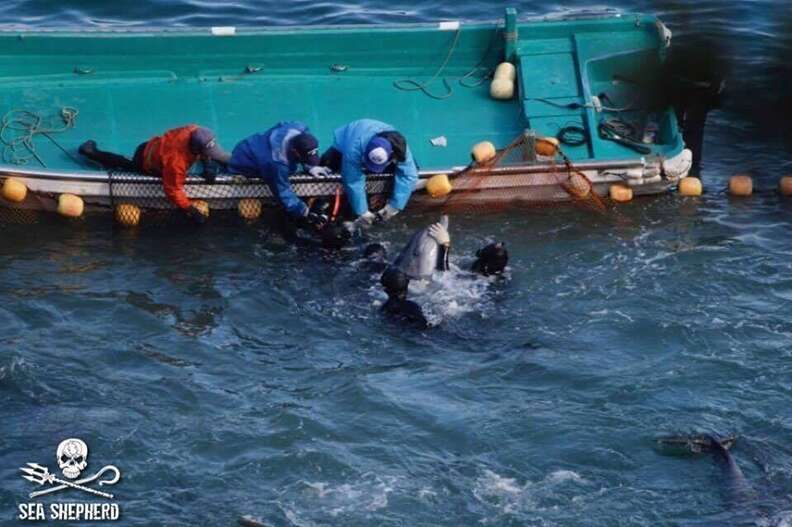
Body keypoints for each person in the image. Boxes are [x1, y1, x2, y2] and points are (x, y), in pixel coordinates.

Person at [78, 125, 230, 223]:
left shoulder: (194, 130)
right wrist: (189, 209)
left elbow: (205, 147)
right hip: (146, 159)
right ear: (196, 150)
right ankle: (92, 152)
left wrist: (209, 162)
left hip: (154, 145)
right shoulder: (176, 163)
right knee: (126, 164)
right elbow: (173, 189)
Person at [228, 121, 331, 231]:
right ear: (294, 151)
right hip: (245, 160)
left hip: (258, 145)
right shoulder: (276, 163)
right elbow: (283, 191)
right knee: (277, 177)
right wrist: (303, 211)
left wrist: (310, 166)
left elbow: (299, 137)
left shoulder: (298, 127)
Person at [320, 119, 418, 232]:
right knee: (330, 163)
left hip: (379, 137)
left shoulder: (400, 147)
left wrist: (395, 206)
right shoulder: (353, 149)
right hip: (347, 140)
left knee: (412, 169)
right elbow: (353, 181)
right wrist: (362, 211)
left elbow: (409, 175)